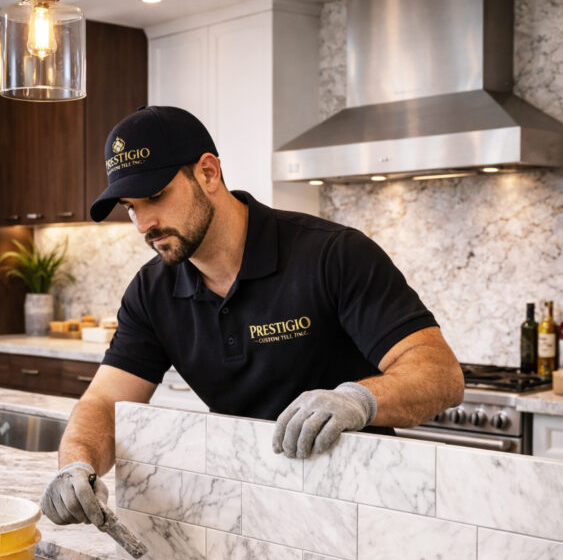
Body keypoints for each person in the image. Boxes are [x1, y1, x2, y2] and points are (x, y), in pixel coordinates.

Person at [40, 105, 463, 528]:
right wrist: (77, 465)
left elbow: (442, 375)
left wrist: (358, 399)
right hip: (253, 507)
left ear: (208, 173)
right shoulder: (153, 292)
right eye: (130, 206)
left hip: (362, 506)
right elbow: (104, 403)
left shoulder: (332, 255)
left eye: (155, 196)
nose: (143, 224)